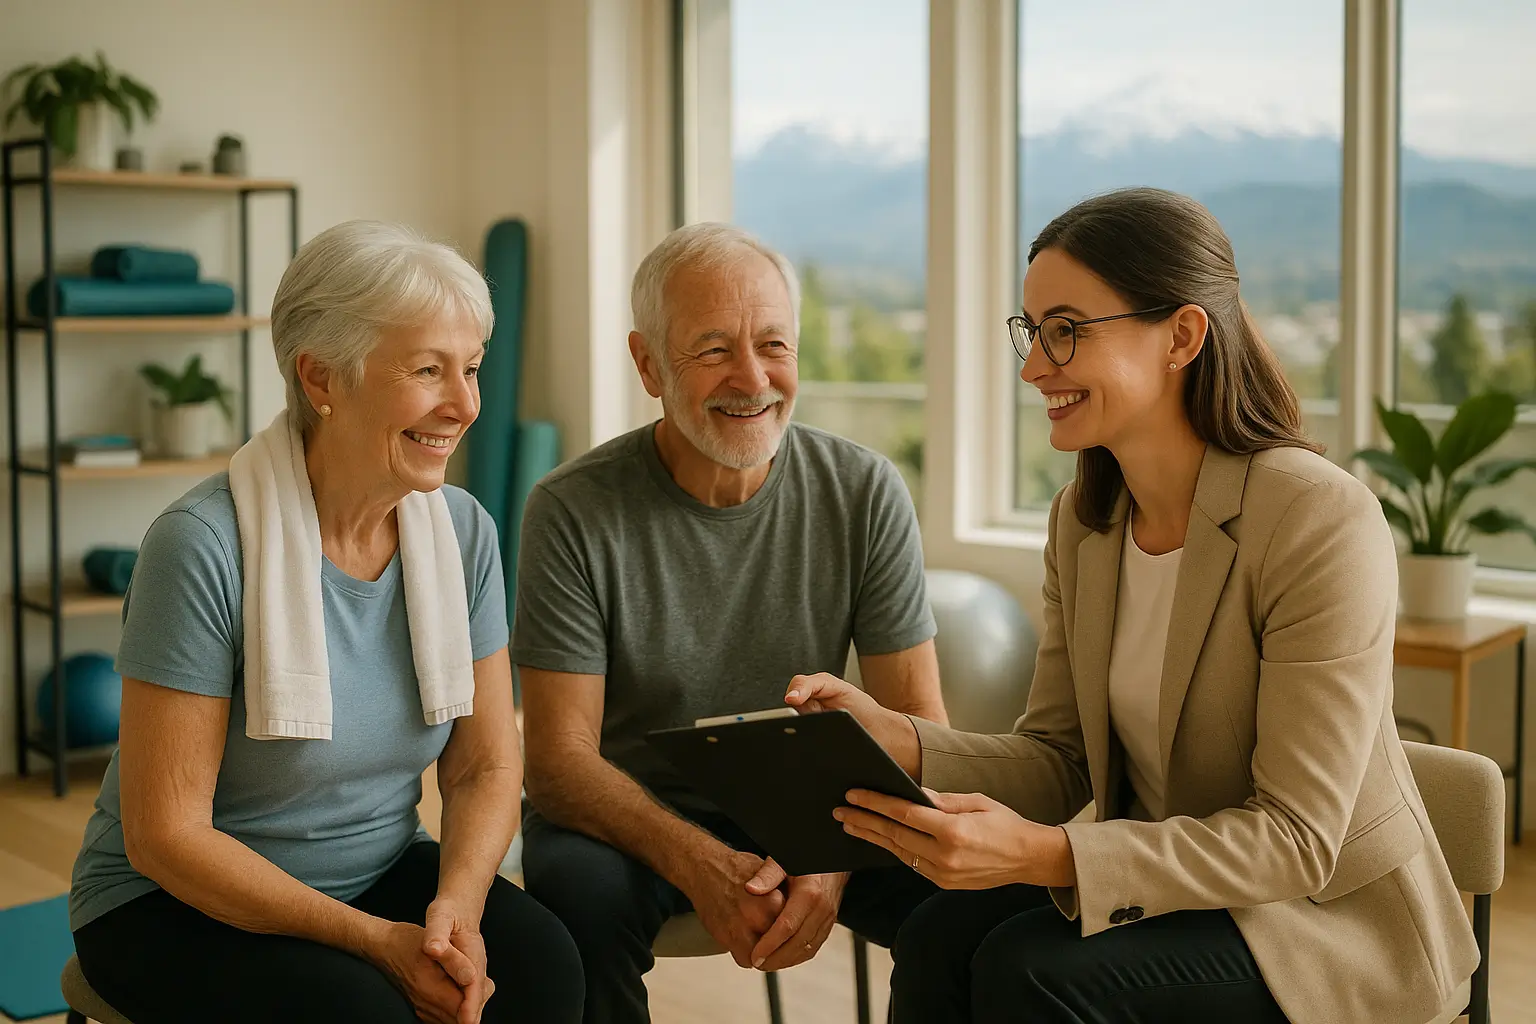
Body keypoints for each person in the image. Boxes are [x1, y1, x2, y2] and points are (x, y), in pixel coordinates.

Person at [785, 188, 1480, 1024]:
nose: (1034, 367)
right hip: (1179, 887)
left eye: (1066, 330)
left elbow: (1295, 840)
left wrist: (1046, 854)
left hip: (1324, 928)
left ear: (1183, 336)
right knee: (938, 935)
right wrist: (902, 741)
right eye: (1032, 330)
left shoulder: (1315, 518)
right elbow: (1060, 758)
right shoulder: (1084, 525)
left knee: (1028, 970)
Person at [68, 221, 583, 1024]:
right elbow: (165, 837)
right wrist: (376, 941)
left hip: (376, 868)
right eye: (427, 370)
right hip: (168, 902)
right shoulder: (201, 547)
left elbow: (485, 767)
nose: (464, 405)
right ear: (321, 378)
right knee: (364, 1014)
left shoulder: (464, 531)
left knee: (545, 967)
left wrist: (458, 906)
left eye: (472, 370)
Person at [514, 221, 948, 1023]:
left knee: (967, 899)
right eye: (712, 350)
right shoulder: (571, 509)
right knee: (577, 907)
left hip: (816, 803)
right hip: (630, 807)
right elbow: (557, 763)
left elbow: (921, 729)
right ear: (649, 364)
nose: (752, 379)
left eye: (774, 346)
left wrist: (832, 863)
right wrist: (702, 863)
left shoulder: (865, 490)